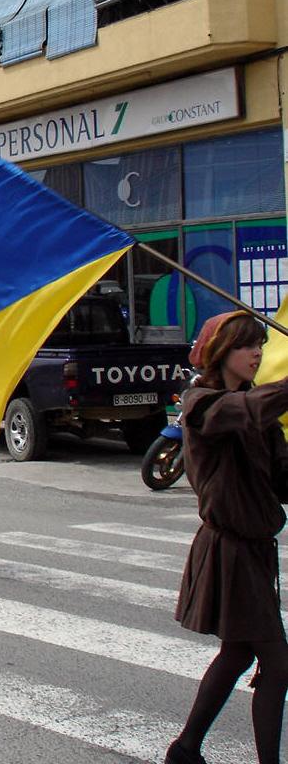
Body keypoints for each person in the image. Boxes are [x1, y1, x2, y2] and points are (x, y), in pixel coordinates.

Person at [167, 311, 288, 764]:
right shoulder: (201, 403)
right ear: (221, 352)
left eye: (260, 344)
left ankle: (185, 749)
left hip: (256, 549)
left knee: (238, 654)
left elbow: (282, 479)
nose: (256, 353)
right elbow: (244, 413)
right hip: (229, 549)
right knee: (278, 665)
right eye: (245, 345)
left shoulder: (256, 407)